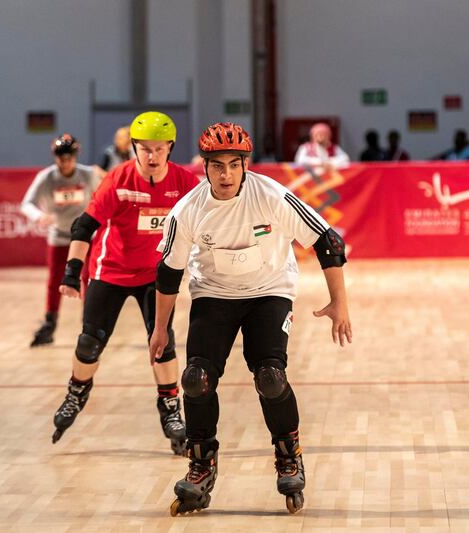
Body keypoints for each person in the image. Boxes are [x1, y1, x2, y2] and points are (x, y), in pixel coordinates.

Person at [150, 122, 353, 515]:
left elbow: (328, 242)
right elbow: (168, 273)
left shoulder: (271, 196)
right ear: (204, 167)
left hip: (269, 291)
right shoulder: (188, 209)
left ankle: (288, 455)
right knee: (196, 379)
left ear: (245, 165)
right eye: (216, 166)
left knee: (270, 377)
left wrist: (338, 303)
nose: (225, 175)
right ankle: (201, 464)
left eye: (233, 165)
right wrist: (160, 328)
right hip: (215, 293)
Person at [51, 111, 201, 455]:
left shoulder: (184, 182)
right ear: (133, 147)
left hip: (157, 274)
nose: (152, 156)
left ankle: (170, 408)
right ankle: (76, 392)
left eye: (159, 149)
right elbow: (84, 226)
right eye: (144, 149)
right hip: (112, 271)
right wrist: (72, 271)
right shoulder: (118, 179)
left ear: (170, 149)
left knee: (163, 340)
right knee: (90, 343)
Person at [21, 134, 100, 348]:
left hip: (84, 238)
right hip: (59, 236)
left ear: (75, 156)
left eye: (69, 157)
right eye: (60, 158)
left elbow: (104, 197)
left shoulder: (88, 175)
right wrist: (39, 216)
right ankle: (50, 323)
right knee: (55, 281)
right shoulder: (46, 177)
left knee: (87, 280)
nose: (65, 162)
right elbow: (26, 203)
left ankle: (88, 324)